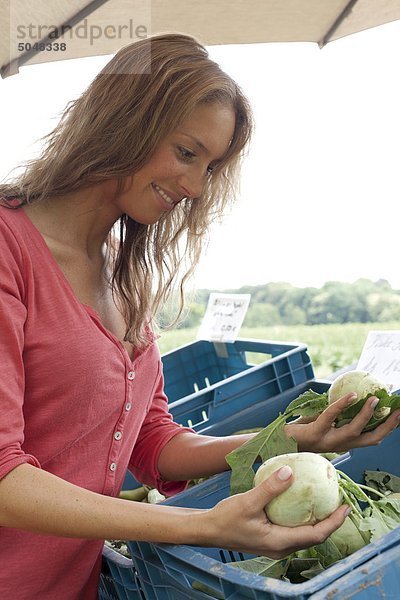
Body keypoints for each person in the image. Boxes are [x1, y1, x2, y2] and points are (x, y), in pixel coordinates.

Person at [0, 33, 398, 600]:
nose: (193, 187)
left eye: (209, 167)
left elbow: (154, 446)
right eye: (187, 153)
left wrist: (288, 439)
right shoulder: (10, 250)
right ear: (123, 122)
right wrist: (202, 524)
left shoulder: (121, 276)